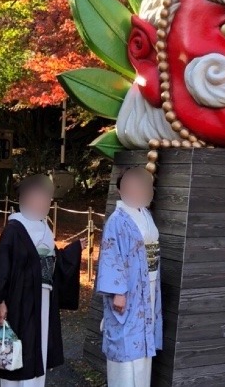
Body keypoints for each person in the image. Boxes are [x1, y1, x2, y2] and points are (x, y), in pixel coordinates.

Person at [0, 174, 85, 387]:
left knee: (38, 345)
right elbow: (1, 265)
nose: (43, 203)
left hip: (43, 298)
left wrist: (75, 249)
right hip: (18, 299)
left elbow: (53, 259)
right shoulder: (14, 229)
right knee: (16, 347)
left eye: (46, 199)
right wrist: (0, 300)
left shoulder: (44, 227)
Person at [96, 166, 162, 387]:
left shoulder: (145, 213)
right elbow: (111, 255)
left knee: (143, 340)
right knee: (125, 340)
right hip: (128, 289)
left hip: (148, 285)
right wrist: (118, 292)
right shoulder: (118, 219)